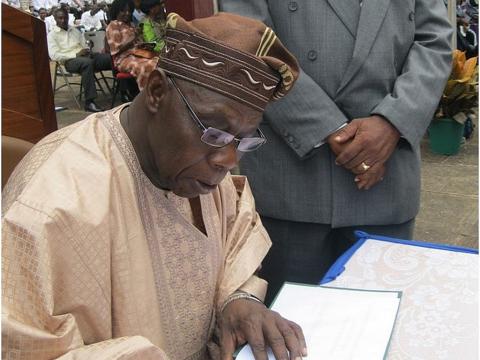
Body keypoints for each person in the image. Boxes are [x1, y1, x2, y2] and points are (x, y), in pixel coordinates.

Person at [2, 12, 307, 360]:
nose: (227, 159)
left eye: (243, 139)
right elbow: (20, 346)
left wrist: (239, 299)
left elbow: (236, 240)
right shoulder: (54, 198)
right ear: (157, 91)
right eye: (216, 131)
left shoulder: (197, 166)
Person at [219, 0, 453, 304]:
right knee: (290, 330)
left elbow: (434, 40)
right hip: (291, 186)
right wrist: (330, 129)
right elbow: (248, 41)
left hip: (386, 183)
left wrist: (393, 121)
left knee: (375, 325)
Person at [48, 8, 112, 112]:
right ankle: (89, 102)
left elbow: (83, 45)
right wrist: (76, 54)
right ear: (55, 19)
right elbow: (54, 55)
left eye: (65, 18)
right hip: (69, 61)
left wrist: (88, 49)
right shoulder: (52, 35)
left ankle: (124, 89)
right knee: (87, 63)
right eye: (60, 18)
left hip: (84, 57)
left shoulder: (74, 30)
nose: (63, 20)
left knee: (109, 58)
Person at [105, 0, 158, 91]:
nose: (127, 13)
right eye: (124, 11)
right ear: (117, 10)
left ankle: (160, 91)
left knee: (159, 62)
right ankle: (147, 96)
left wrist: (145, 44)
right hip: (124, 59)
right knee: (147, 66)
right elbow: (116, 50)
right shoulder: (113, 25)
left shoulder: (131, 25)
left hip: (139, 54)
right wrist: (133, 37)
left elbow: (137, 43)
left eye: (129, 11)